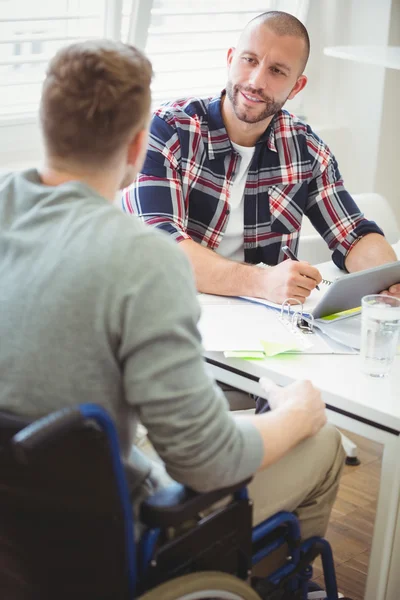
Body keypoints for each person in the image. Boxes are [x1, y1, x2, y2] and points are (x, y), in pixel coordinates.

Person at [0, 41, 345, 594]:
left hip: (19, 523)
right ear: (139, 147)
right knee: (323, 445)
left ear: (44, 123)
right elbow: (207, 463)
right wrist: (298, 414)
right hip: (121, 533)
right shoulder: (146, 262)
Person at [120, 10, 400, 305]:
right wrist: (262, 281)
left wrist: (389, 280)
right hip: (165, 309)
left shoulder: (306, 149)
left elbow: (353, 234)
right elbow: (161, 247)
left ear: (297, 87)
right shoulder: (167, 131)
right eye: (249, 60)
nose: (256, 81)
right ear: (230, 59)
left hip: (263, 326)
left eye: (277, 71)